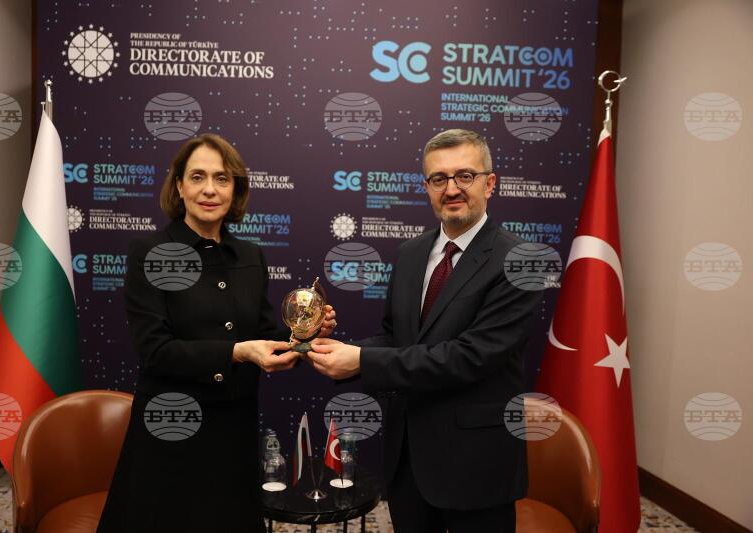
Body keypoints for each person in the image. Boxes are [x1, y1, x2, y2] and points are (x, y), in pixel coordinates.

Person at [97, 133, 336, 533]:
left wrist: (304, 334)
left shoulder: (250, 255)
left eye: (222, 179)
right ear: (179, 186)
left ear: (235, 189)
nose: (209, 189)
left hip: (232, 429)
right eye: (198, 177)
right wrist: (237, 352)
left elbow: (263, 333)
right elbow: (155, 351)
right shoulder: (151, 252)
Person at [308, 129, 542, 533]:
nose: (451, 189)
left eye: (464, 176)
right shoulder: (411, 253)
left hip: (477, 467)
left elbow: (469, 357)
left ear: (490, 183)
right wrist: (338, 350)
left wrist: (361, 361)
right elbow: (397, 339)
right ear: (426, 188)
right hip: (409, 459)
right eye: (438, 178)